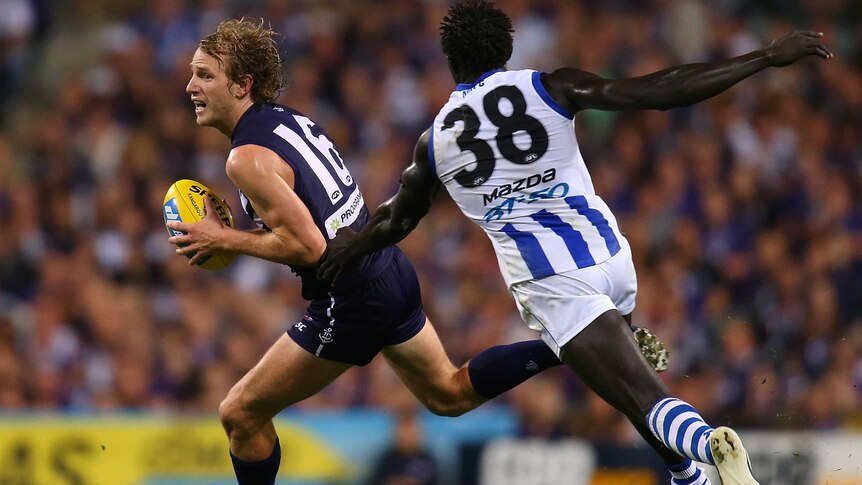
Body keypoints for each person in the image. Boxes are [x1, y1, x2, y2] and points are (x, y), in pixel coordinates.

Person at [316, 2, 833, 484]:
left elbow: (396, 221)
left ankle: (708, 443)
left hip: (553, 281)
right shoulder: (550, 86)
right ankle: (689, 478)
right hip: (609, 254)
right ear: (505, 52)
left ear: (449, 60)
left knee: (641, 395)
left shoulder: (436, 141)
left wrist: (348, 248)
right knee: (623, 386)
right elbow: (658, 92)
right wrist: (764, 57)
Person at [167, 18, 668, 485]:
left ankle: (579, 339)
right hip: (386, 269)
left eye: (203, 75)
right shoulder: (283, 119)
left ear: (242, 84)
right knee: (448, 394)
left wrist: (223, 239)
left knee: (239, 413)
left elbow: (309, 246)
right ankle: (570, 343)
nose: (191, 86)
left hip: (350, 295)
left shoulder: (244, 159)